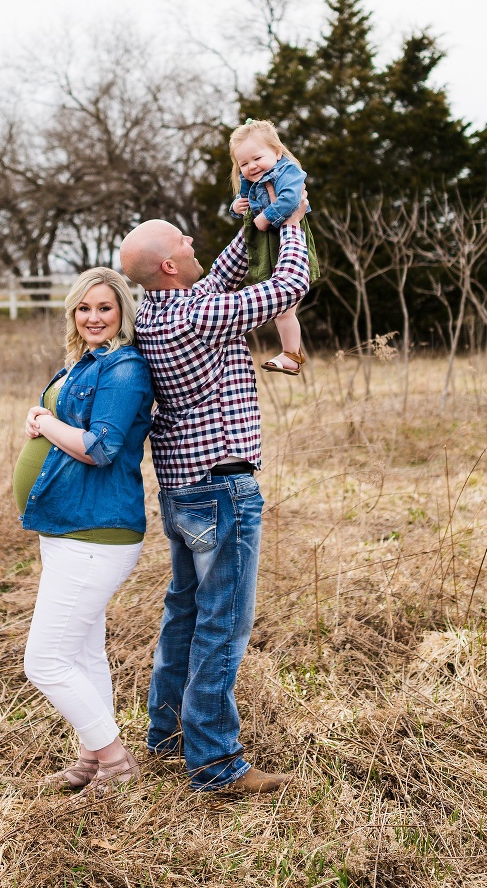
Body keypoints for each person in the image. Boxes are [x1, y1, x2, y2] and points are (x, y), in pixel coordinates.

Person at [119, 194, 310, 794]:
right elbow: (288, 285)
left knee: (187, 612)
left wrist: (257, 226)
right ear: (169, 266)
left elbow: (222, 270)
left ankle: (169, 734)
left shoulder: (159, 310)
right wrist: (294, 227)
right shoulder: (197, 319)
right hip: (222, 490)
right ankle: (215, 762)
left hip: (183, 492)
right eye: (182, 240)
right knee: (223, 622)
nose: (193, 242)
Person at [14, 267, 153, 794]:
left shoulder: (124, 370)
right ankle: (92, 755)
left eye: (105, 308)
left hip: (98, 531)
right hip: (69, 527)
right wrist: (42, 417)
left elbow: (101, 448)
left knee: (44, 661)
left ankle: (116, 761)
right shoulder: (82, 364)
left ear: (122, 313)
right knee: (82, 653)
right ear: (73, 313)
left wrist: (44, 423)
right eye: (84, 308)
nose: (94, 318)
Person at [229, 118, 319, 376]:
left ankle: (292, 354)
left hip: (288, 237)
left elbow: (292, 199)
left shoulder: (288, 171)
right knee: (279, 306)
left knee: (284, 307)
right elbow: (244, 199)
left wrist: (267, 217)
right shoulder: (253, 177)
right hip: (270, 241)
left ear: (277, 152)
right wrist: (236, 207)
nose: (251, 166)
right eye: (243, 164)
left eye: (256, 158)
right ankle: (291, 353)